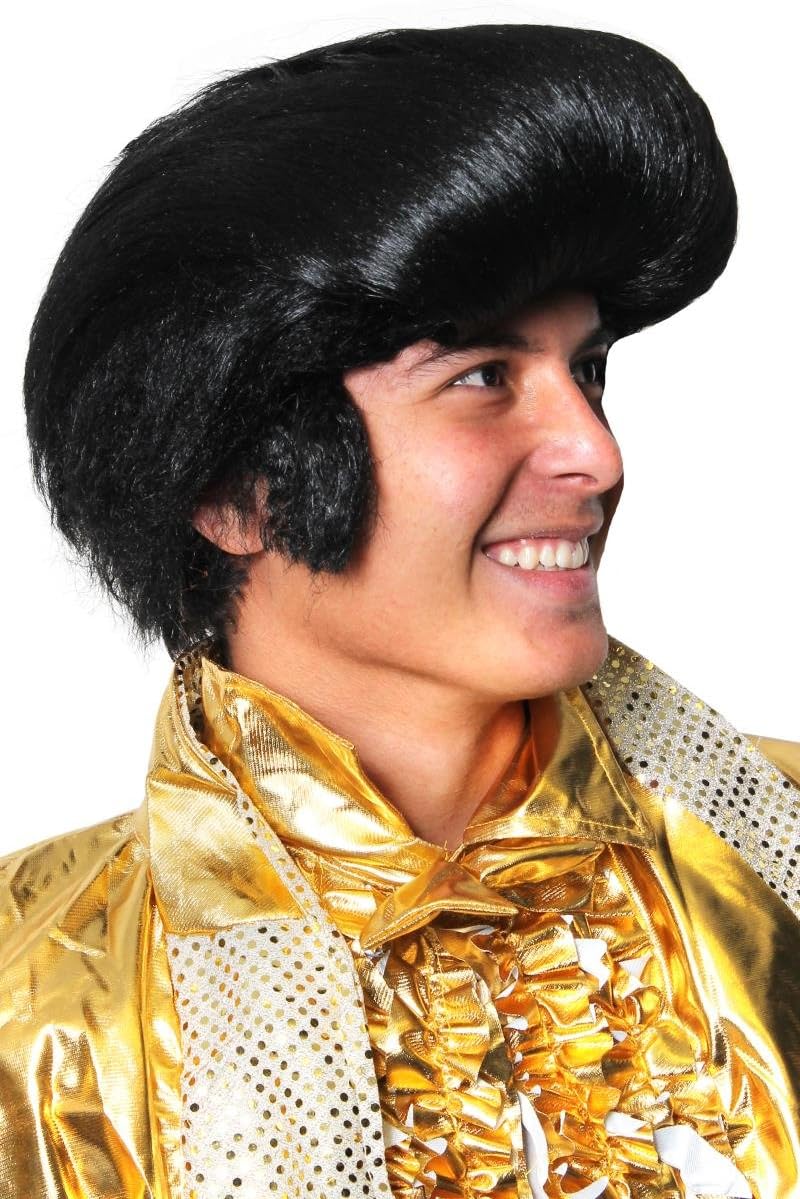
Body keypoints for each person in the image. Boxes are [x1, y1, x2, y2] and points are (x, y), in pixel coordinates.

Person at [1, 21, 798, 1199]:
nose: (594, 451)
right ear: (236, 490)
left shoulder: (775, 844)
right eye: (481, 378)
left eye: (586, 371)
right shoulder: (33, 1012)